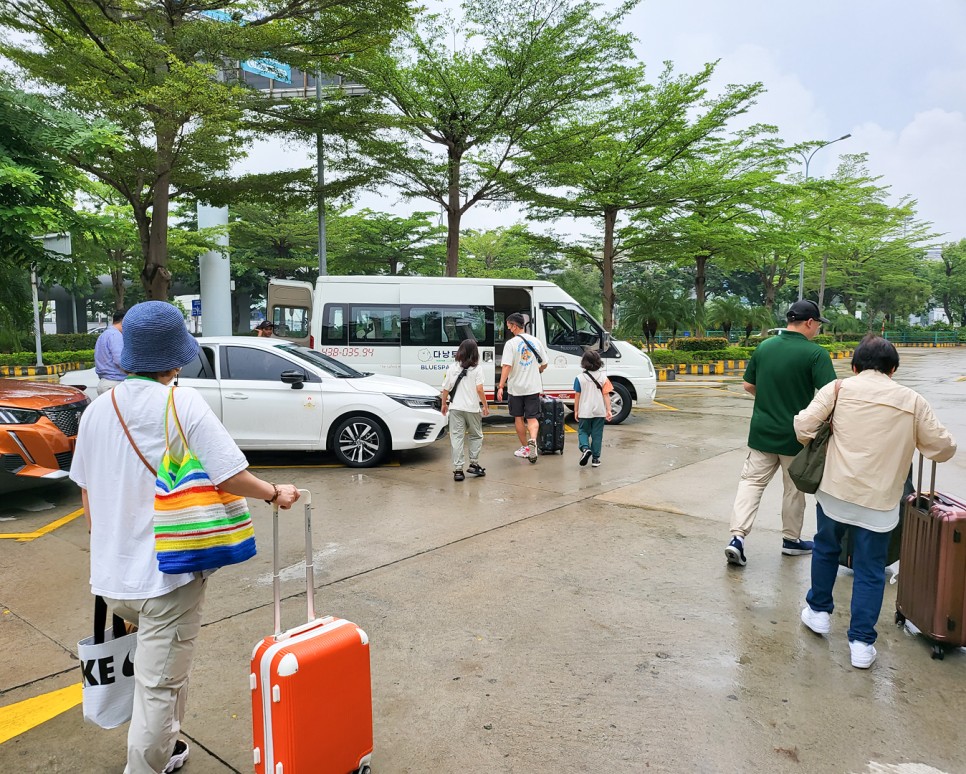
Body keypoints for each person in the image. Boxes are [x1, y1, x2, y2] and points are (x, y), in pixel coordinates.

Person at [70, 301, 300, 774]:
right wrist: (275, 493)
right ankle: (144, 768)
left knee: (160, 674)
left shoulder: (97, 409)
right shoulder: (180, 400)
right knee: (158, 686)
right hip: (166, 575)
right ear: (175, 357)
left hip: (111, 579)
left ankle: (168, 748)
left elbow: (88, 498)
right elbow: (231, 474)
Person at [796, 335, 956, 669]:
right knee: (871, 570)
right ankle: (861, 644)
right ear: (893, 369)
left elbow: (803, 426)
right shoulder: (913, 401)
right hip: (880, 501)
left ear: (854, 366)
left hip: (835, 493)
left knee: (826, 548)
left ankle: (819, 612)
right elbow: (941, 448)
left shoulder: (838, 389)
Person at [725, 299, 837, 567]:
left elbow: (748, 385)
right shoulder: (815, 354)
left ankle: (737, 538)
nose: (818, 330)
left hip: (761, 432)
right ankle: (791, 540)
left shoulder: (764, 346)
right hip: (796, 437)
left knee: (751, 483)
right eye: (818, 324)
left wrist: (769, 401)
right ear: (809, 322)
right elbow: (829, 395)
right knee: (793, 490)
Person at [496, 313, 548, 463]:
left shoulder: (510, 344)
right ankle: (533, 440)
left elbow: (506, 366)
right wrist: (537, 370)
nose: (509, 329)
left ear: (514, 325)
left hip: (516, 388)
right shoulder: (536, 341)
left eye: (509, 326)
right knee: (532, 417)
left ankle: (525, 448)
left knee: (518, 417)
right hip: (532, 387)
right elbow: (544, 363)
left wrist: (500, 386)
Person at [440, 339, 490, 481]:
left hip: (455, 408)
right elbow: (479, 389)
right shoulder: (477, 369)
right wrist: (485, 406)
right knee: (476, 435)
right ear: (475, 353)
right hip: (472, 409)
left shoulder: (452, 367)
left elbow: (445, 389)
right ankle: (474, 464)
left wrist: (444, 404)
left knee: (457, 438)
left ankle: (458, 470)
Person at [573, 350, 612, 467]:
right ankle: (595, 459)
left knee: (583, 431)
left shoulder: (579, 378)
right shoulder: (604, 378)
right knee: (597, 435)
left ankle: (585, 448)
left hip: (585, 411)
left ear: (584, 362)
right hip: (599, 411)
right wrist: (608, 410)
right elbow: (606, 395)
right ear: (598, 362)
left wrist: (576, 410)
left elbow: (577, 395)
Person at [94, 309, 126, 395]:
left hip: (105, 383)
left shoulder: (105, 334)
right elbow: (120, 360)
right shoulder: (116, 335)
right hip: (115, 383)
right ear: (124, 321)